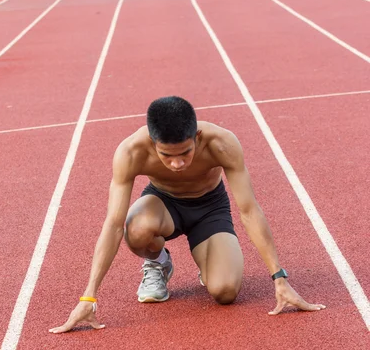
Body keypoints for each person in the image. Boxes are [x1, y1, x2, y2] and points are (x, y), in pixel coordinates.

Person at [49, 96, 325, 334]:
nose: (177, 163)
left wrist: (280, 278)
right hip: (163, 204)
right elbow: (113, 224)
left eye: (185, 153)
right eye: (167, 156)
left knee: (226, 292)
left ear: (198, 137)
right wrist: (89, 296)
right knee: (136, 229)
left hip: (210, 209)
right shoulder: (131, 151)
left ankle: (211, 264)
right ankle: (158, 262)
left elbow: (249, 210)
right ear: (152, 141)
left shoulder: (221, 142)